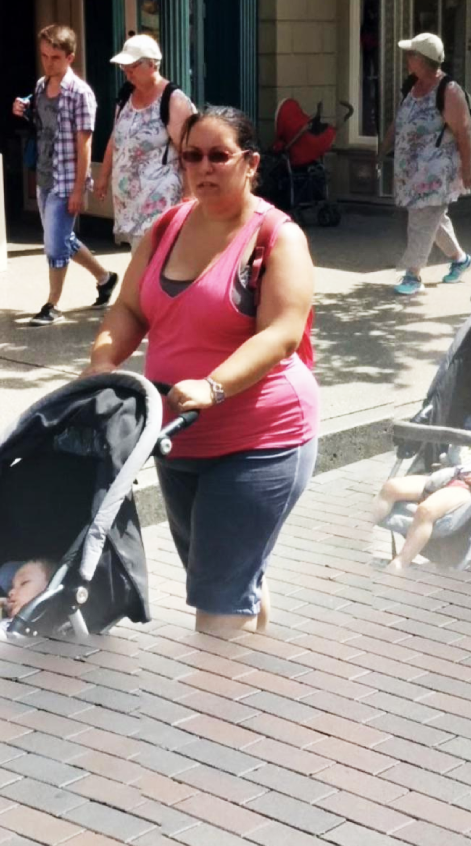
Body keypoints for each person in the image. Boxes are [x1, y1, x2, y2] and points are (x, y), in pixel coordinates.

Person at [86, 106, 319, 637]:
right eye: (192, 156)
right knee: (222, 579)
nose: (204, 168)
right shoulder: (167, 225)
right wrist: (103, 361)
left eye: (219, 156)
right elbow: (129, 310)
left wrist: (215, 386)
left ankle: (214, 712)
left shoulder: (278, 238)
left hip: (260, 438)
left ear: (250, 163)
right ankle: (253, 684)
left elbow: (281, 333)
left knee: (216, 601)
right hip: (177, 436)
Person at [12, 24, 118, 325]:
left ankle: (52, 304)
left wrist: (77, 188)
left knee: (55, 244)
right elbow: (41, 122)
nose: (48, 62)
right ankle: (104, 277)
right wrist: (23, 108)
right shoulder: (41, 86)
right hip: (45, 174)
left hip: (67, 177)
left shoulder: (80, 93)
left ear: (70, 57)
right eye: (44, 55)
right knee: (60, 237)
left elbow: (84, 143)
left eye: (55, 57)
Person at [379, 32, 471, 297]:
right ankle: (460, 259)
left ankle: (413, 274)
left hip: (436, 172)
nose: (407, 59)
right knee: (432, 219)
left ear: (422, 59)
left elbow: (463, 132)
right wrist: (384, 149)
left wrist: (468, 169)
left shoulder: (449, 90)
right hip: (411, 172)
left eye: (411, 55)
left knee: (421, 220)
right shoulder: (413, 87)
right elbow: (400, 122)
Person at [373, 409, 471, 572]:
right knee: (391, 487)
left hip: (466, 486)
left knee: (426, 510)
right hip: (445, 475)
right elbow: (452, 458)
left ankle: (401, 562)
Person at [94, 35, 195, 248]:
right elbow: (116, 137)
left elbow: (188, 150)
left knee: (150, 260)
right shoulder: (125, 96)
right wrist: (103, 175)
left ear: (151, 64)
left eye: (132, 68)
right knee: (139, 258)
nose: (127, 74)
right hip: (129, 201)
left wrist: (189, 193)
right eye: (125, 69)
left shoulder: (173, 99)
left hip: (159, 198)